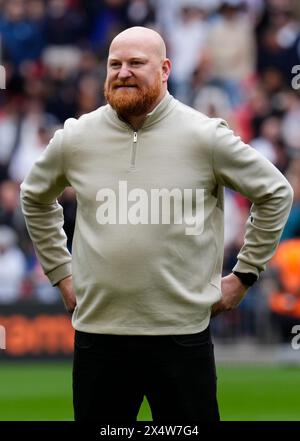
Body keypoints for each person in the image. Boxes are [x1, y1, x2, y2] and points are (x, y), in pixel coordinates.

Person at [20, 26, 293, 422]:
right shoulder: (77, 137)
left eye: (136, 63)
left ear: (165, 69)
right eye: (114, 64)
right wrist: (61, 272)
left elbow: (275, 192)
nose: (123, 72)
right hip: (100, 337)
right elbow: (34, 196)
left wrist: (245, 274)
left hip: (181, 338)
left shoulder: (205, 135)